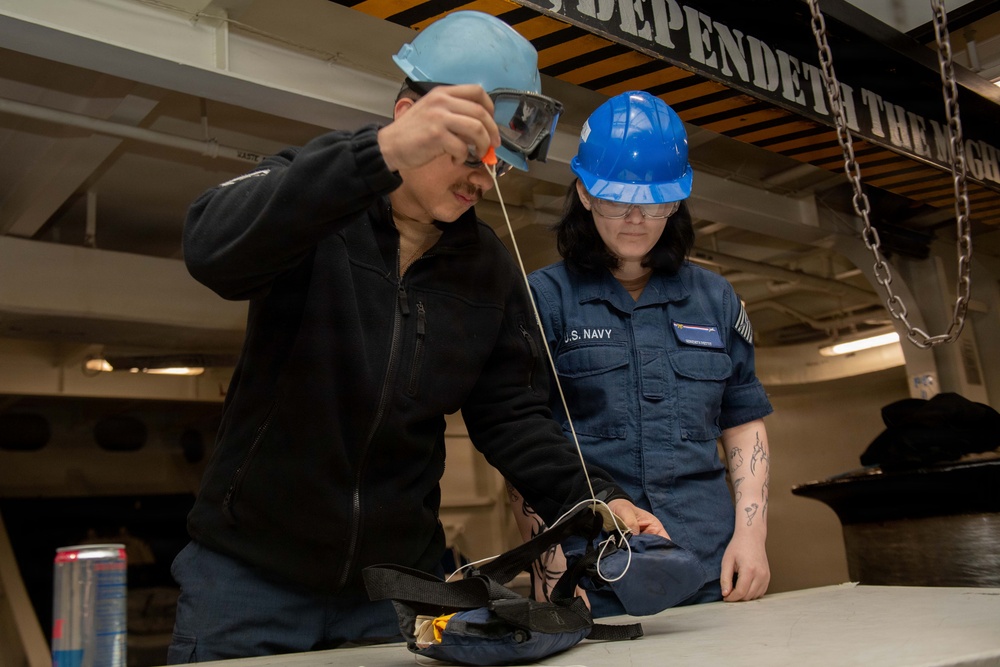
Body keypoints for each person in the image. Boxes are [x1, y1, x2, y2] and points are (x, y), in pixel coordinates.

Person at [167, 12, 666, 663]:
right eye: (468, 157)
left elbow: (513, 416)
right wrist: (377, 155)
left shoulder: (484, 267)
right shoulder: (314, 199)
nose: (482, 181)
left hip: (391, 590)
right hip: (246, 581)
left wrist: (597, 500)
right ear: (407, 118)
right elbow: (211, 246)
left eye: (498, 169)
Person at [509, 91, 773, 615]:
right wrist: (549, 564)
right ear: (584, 193)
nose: (635, 218)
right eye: (615, 199)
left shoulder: (716, 299)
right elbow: (522, 437)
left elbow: (743, 422)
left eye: (654, 201)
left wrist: (753, 535)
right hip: (590, 571)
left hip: (711, 565)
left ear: (675, 200)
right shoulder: (543, 299)